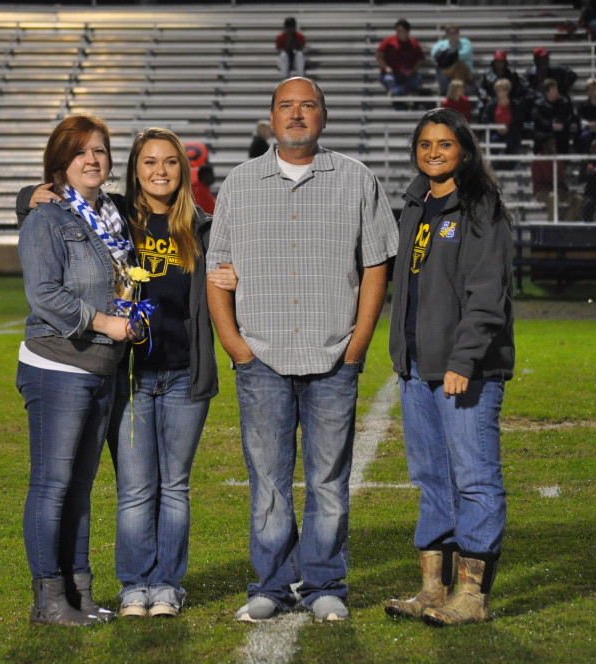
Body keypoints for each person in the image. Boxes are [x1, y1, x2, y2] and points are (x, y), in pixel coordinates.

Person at [17, 129, 236, 620]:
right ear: (133, 171)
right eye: (149, 162)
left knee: (174, 487)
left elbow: (233, 273)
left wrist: (236, 275)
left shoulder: (204, 227)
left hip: (184, 374)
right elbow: (52, 207)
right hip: (128, 375)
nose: (160, 171)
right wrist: (30, 192)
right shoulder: (113, 219)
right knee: (135, 488)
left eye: (171, 163)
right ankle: (135, 587)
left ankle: (167, 587)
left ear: (185, 170)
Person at [206, 77, 399, 624]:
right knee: (267, 480)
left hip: (333, 355)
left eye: (307, 106)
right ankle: (269, 585)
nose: (296, 115)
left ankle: (324, 585)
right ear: (270, 118)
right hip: (261, 358)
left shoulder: (357, 179)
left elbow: (376, 264)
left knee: (328, 478)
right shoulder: (241, 184)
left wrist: (359, 343)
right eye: (286, 107)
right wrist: (237, 347)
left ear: (324, 116)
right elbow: (216, 273)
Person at [384, 107, 514, 627]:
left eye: (444, 144)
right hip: (417, 368)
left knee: (474, 477)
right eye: (425, 144)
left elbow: (488, 295)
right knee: (431, 478)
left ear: (464, 150)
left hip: (467, 371)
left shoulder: (482, 209)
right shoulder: (415, 206)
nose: (433, 152)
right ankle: (433, 590)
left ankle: (473, 598)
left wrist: (464, 358)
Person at [16, 114, 138, 627]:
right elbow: (43, 294)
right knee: (53, 484)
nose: (93, 159)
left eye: (101, 151)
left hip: (102, 367)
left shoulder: (112, 215)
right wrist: (103, 322)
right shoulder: (47, 218)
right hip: (57, 363)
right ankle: (48, 599)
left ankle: (79, 592)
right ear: (61, 161)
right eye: (81, 151)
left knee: (81, 486)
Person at [531, 134, 582, 221]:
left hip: (558, 190)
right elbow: (538, 179)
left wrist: (564, 190)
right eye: (551, 144)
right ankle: (551, 226)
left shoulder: (558, 158)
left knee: (578, 199)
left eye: (554, 144)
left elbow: (561, 176)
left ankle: (566, 225)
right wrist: (554, 186)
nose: (553, 146)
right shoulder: (537, 159)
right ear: (544, 146)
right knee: (553, 196)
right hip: (542, 191)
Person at [376, 19, 425, 108]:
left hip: (407, 75)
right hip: (392, 74)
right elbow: (378, 54)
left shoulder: (413, 43)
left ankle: (397, 93)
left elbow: (420, 59)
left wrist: (413, 70)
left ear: (407, 31)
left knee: (418, 79)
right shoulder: (389, 41)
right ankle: (399, 96)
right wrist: (386, 67)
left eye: (402, 30)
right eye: (398, 30)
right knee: (389, 79)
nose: (400, 33)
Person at [479, 78, 524, 164]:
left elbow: (519, 121)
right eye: (498, 90)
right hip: (494, 132)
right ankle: (494, 165)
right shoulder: (491, 105)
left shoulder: (515, 105)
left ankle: (510, 165)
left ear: (508, 91)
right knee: (494, 139)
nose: (500, 92)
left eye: (502, 90)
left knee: (512, 140)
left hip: (511, 131)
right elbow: (485, 120)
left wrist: (508, 128)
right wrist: (496, 128)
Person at [531, 78, 577, 155]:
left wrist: (563, 124)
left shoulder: (564, 102)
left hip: (561, 130)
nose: (556, 91)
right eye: (553, 89)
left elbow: (570, 116)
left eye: (556, 88)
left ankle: (562, 163)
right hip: (545, 131)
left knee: (562, 137)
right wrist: (551, 125)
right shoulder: (539, 104)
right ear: (547, 92)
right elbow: (538, 118)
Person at [430, 24, 474, 95]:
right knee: (439, 68)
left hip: (464, 74)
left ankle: (461, 92)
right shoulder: (441, 44)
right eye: (450, 33)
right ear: (447, 34)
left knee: (459, 65)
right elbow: (434, 55)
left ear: (458, 33)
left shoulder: (465, 42)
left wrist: (446, 56)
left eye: (455, 33)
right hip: (448, 74)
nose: (453, 35)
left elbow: (466, 54)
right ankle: (445, 92)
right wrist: (451, 55)